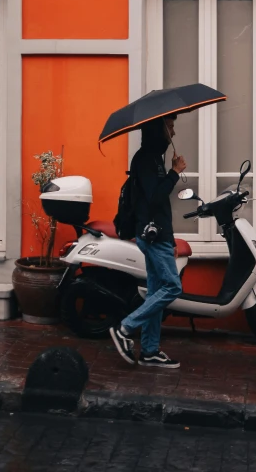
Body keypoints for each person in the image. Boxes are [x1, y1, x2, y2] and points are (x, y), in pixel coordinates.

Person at [109, 114, 186, 368]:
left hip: (160, 234)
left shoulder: (154, 158)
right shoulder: (145, 159)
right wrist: (174, 174)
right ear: (159, 128)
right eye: (171, 127)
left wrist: (172, 239)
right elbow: (154, 197)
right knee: (172, 287)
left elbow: (161, 206)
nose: (173, 133)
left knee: (156, 293)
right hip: (152, 236)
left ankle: (150, 351)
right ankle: (124, 328)